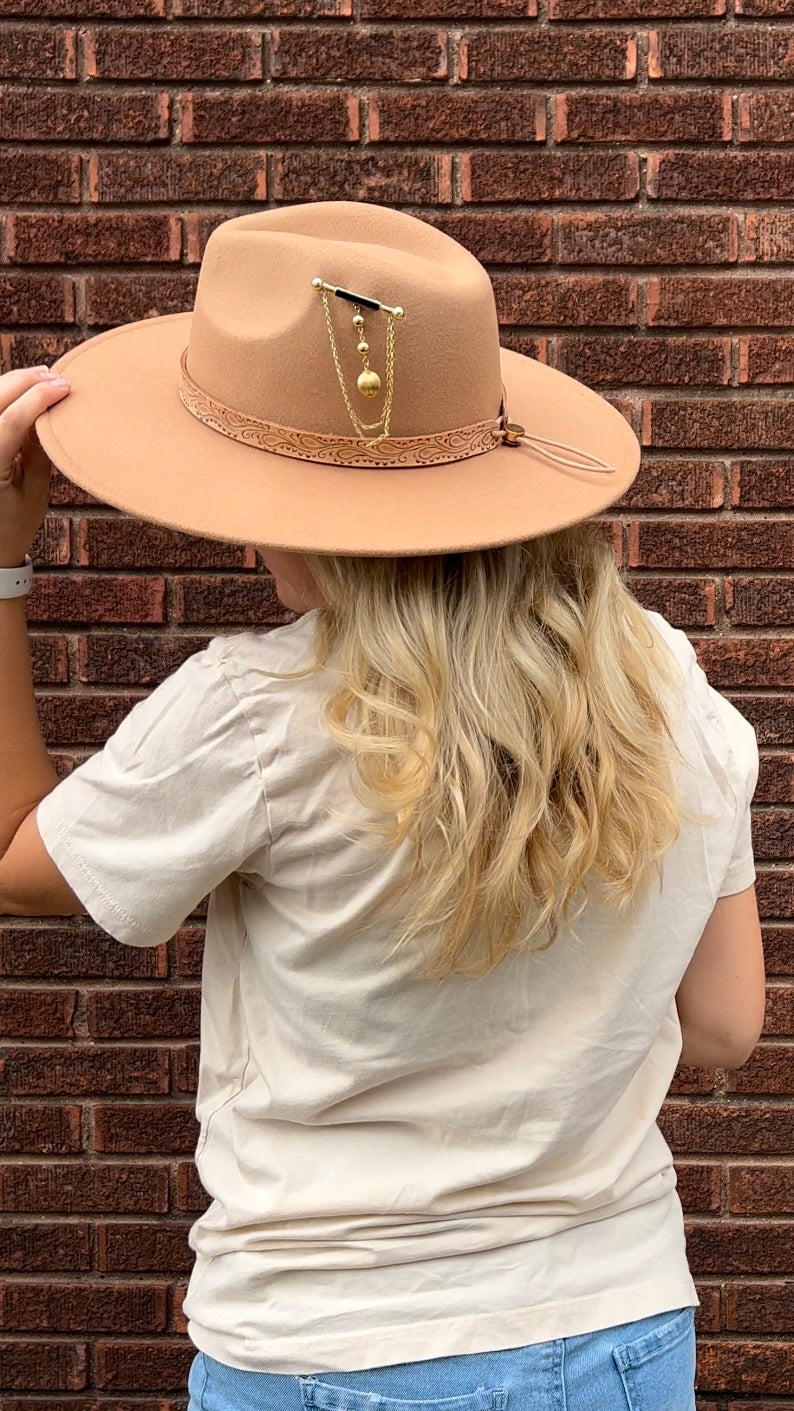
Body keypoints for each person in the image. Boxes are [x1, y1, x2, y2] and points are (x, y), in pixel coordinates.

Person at [0, 202, 765, 1411]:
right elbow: (723, 1023)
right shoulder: (666, 687)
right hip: (619, 1329)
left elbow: (18, 862)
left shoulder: (263, 711)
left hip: (338, 1348)